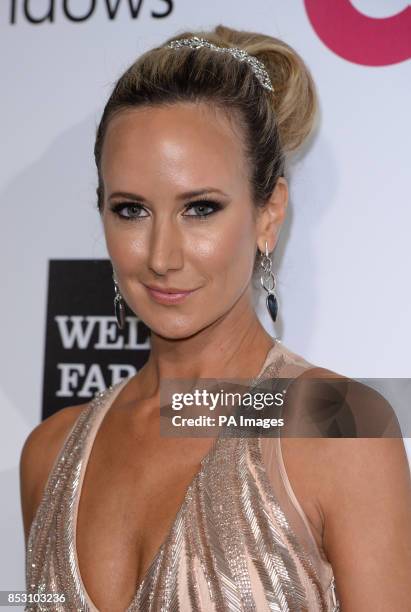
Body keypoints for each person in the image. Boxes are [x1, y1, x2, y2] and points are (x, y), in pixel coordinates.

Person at [20, 24, 411, 612]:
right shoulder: (48, 455)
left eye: (200, 209)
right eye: (130, 210)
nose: (161, 256)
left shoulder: (339, 426)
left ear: (268, 213)